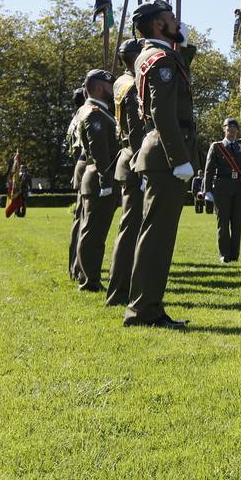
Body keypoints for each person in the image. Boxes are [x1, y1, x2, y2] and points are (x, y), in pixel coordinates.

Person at [124, 0, 196, 330]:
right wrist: (179, 159)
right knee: (157, 237)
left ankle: (146, 306)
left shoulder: (156, 54)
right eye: (171, 18)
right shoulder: (162, 58)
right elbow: (163, 112)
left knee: (154, 235)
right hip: (167, 154)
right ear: (157, 25)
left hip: (158, 152)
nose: (178, 21)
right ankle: (144, 311)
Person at [71, 70, 119, 292]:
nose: (113, 91)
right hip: (99, 178)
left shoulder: (98, 111)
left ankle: (87, 275)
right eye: (110, 86)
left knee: (92, 230)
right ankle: (89, 279)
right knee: (93, 233)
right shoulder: (95, 113)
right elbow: (100, 152)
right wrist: (106, 182)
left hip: (98, 176)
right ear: (100, 88)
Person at [107, 38, 145, 306]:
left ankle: (124, 285)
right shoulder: (133, 85)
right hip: (134, 158)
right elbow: (135, 129)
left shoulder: (120, 81)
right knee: (131, 228)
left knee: (130, 226)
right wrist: (143, 164)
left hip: (125, 156)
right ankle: (120, 290)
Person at [204, 117, 241, 263]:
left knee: (237, 223)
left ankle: (234, 255)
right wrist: (207, 190)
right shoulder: (217, 146)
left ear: (238, 130)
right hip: (222, 187)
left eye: (234, 127)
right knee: (223, 223)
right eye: (228, 127)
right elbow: (209, 169)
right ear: (223, 129)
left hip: (239, 187)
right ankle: (224, 254)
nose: (231, 129)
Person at [65, 87, 87, 277]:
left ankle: (75, 264)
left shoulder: (75, 118)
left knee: (80, 220)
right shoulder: (85, 115)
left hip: (79, 167)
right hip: (86, 165)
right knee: (84, 220)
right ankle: (78, 266)